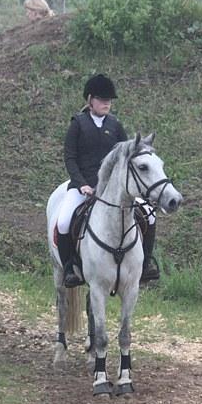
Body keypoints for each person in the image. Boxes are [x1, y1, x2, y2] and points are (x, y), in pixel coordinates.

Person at [56, 74, 160, 288]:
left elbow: (127, 157)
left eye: (109, 100)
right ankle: (70, 268)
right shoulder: (78, 124)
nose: (107, 103)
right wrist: (81, 183)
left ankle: (146, 265)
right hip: (83, 186)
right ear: (90, 100)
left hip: (112, 190)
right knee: (64, 221)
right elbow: (70, 157)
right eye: (102, 99)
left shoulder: (115, 125)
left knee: (149, 217)